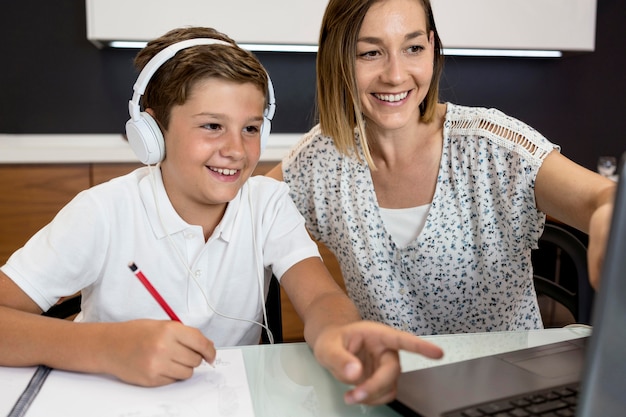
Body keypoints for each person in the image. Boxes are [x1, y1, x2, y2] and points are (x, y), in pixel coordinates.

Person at [0, 26, 444, 406]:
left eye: (250, 128)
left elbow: (321, 300)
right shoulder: (102, 212)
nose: (236, 149)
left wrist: (338, 335)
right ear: (152, 133)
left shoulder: (267, 204)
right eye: (212, 125)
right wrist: (106, 348)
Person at [268, 0, 616, 335]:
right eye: (370, 52)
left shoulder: (492, 147)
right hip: (392, 384)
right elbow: (251, 209)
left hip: (507, 383)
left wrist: (607, 213)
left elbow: (601, 198)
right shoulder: (321, 157)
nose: (395, 74)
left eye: (413, 48)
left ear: (432, 46)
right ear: (337, 59)